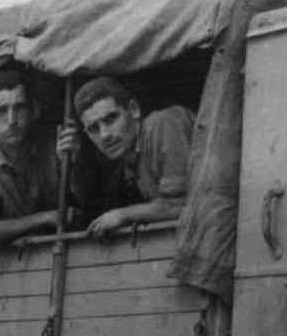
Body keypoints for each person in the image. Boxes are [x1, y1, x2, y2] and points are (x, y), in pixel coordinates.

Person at [58, 77, 194, 239]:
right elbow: (95, 214)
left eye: (111, 119)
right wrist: (74, 164)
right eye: (94, 128)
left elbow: (182, 204)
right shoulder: (126, 159)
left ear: (134, 109)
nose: (104, 135)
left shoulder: (162, 124)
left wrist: (123, 215)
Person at [0, 70, 74, 249]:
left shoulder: (58, 144)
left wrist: (76, 164)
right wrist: (46, 218)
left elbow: (84, 210)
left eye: (19, 107)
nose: (11, 120)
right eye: (1, 111)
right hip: (9, 263)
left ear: (34, 110)